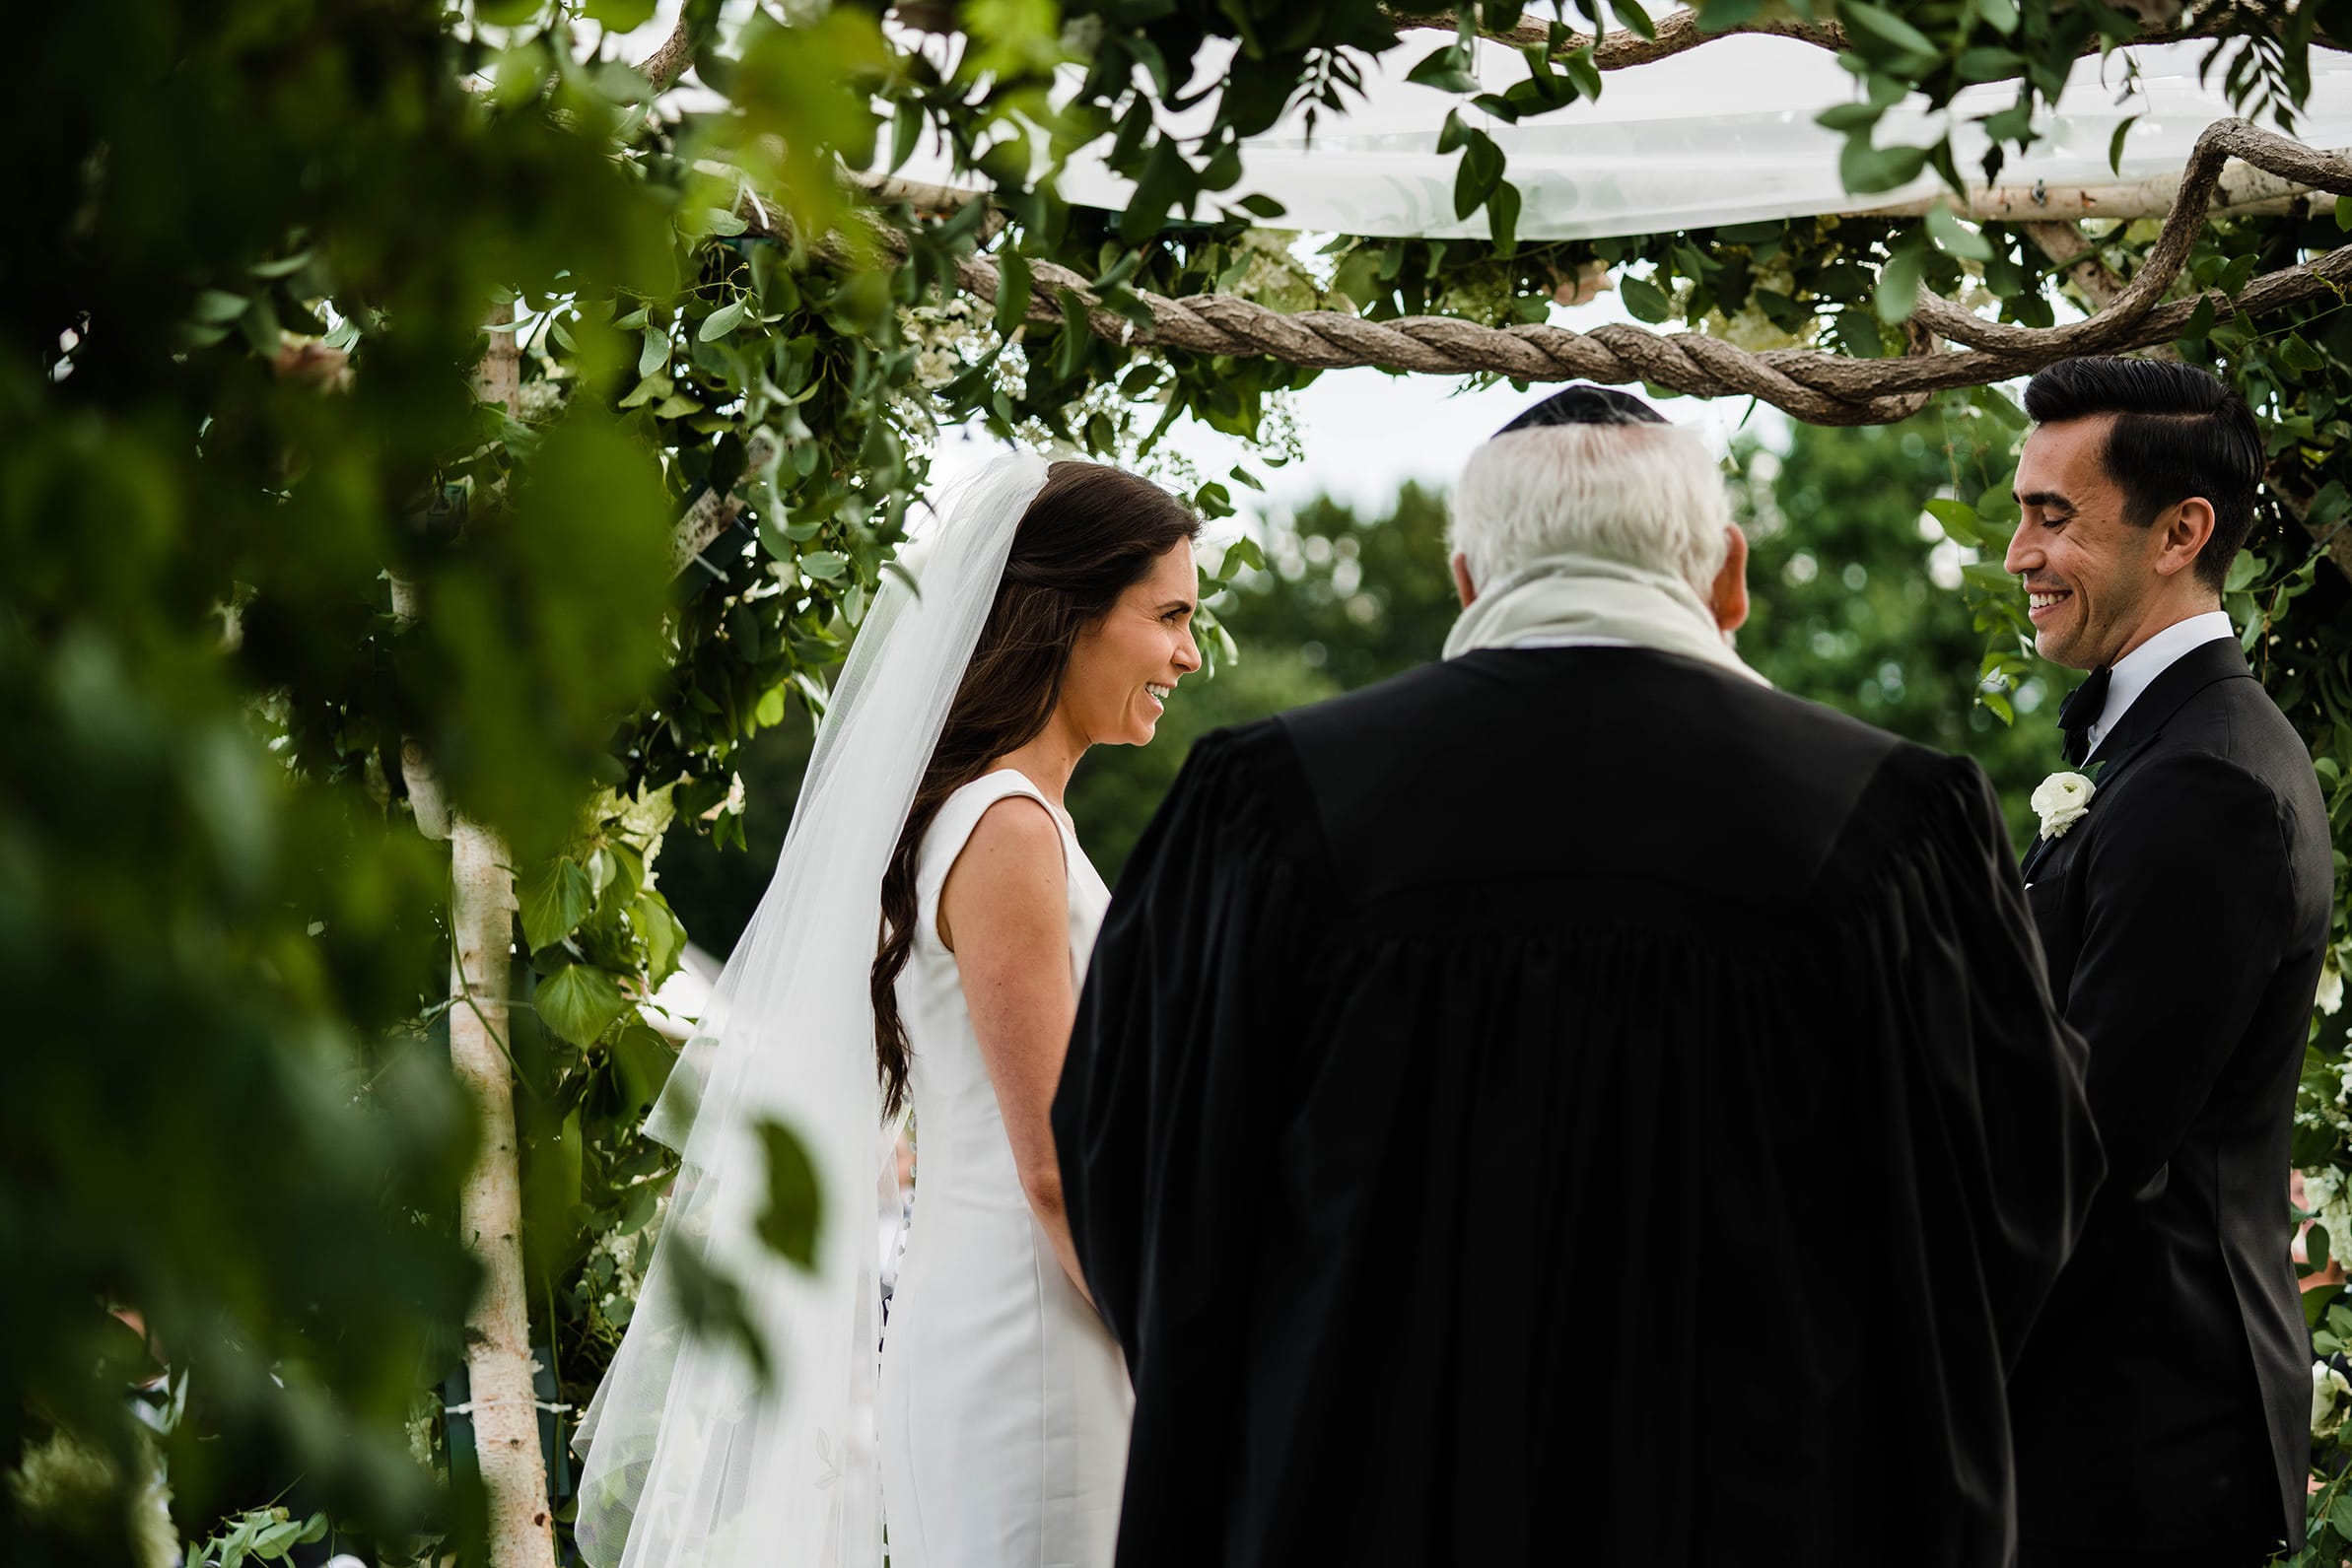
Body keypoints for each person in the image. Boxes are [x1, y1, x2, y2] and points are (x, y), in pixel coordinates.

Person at [1053, 386, 2104, 1568]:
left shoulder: (1266, 807)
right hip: (1773, 1509)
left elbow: (1136, 1170)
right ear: (1729, 579)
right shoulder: (1893, 826)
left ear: (1465, 578)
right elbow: (2017, 1193)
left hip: (1359, 1501)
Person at [573, 454, 1201, 1568]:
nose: (1188, 655)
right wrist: (1186, 1347)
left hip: (1006, 1309)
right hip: (1038, 1333)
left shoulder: (991, 814)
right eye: (1168, 616)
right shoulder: (1008, 827)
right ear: (1068, 615)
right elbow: (1054, 1161)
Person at [2001, 357, 2332, 1568]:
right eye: (2018, 511)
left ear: (2181, 531)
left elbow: (2086, 1147)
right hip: (2117, 1418)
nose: (2017, 555)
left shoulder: (2207, 784)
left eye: (2053, 517)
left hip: (2134, 1440)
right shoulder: (2164, 746)